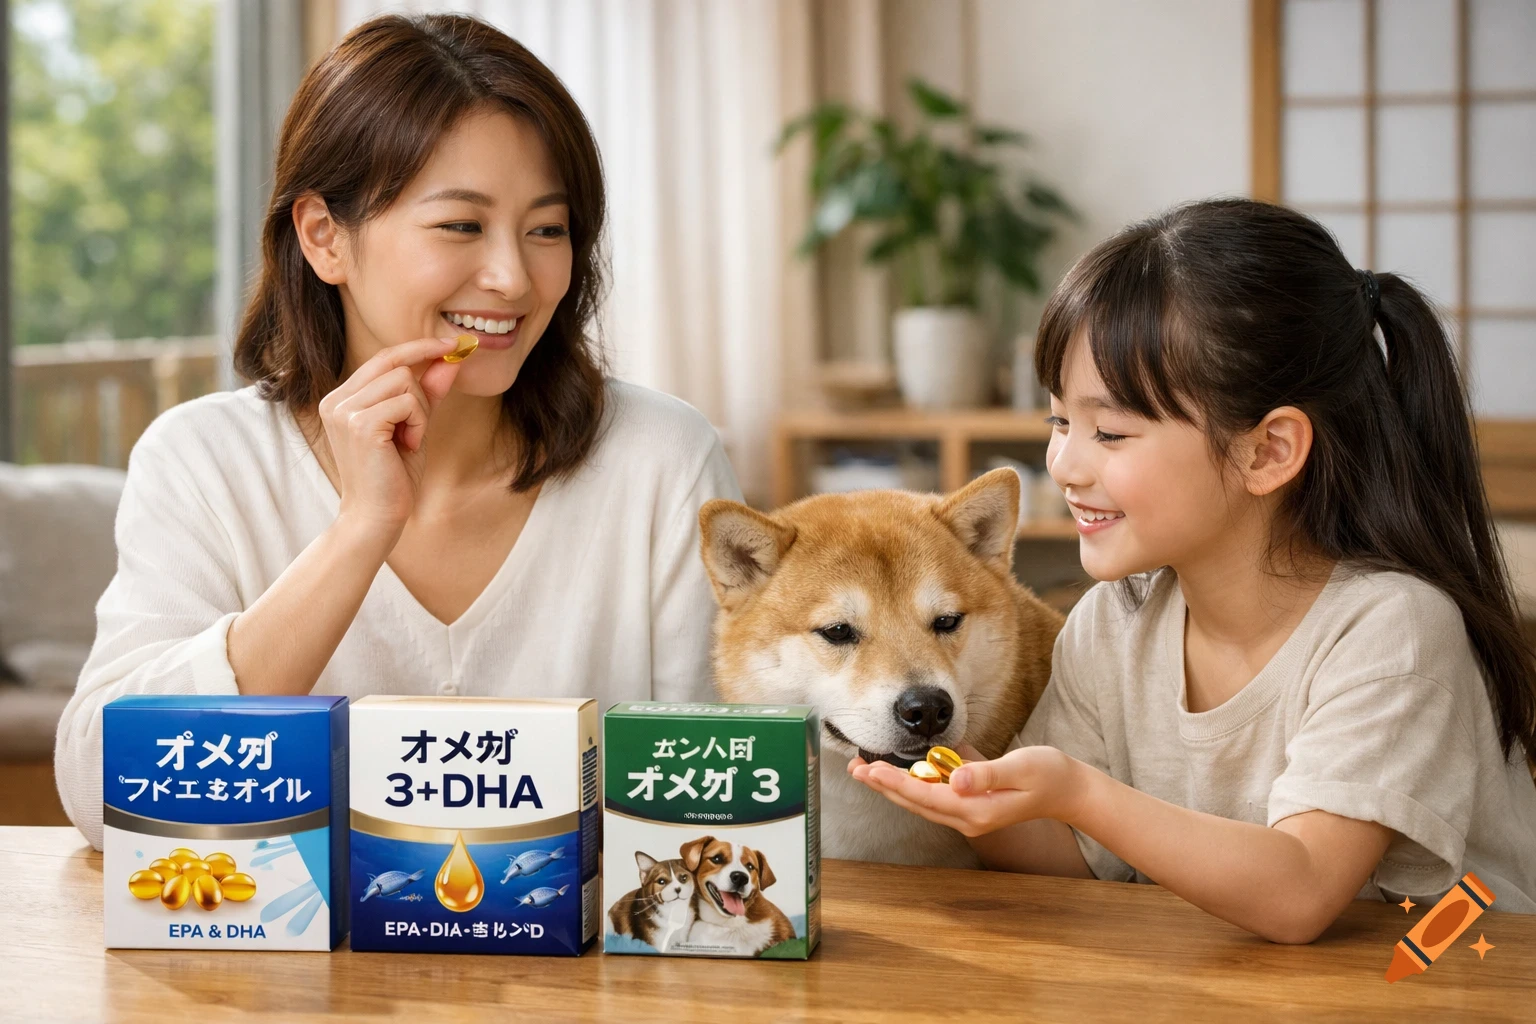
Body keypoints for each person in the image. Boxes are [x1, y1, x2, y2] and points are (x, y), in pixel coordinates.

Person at [55, 13, 740, 849]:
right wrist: (360, 531)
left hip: (590, 977)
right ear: (324, 237)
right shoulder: (203, 461)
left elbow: (719, 799)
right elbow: (103, 794)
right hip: (285, 980)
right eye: (460, 225)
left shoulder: (661, 460)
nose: (512, 278)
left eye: (548, 229)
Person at [853, 198, 1536, 938]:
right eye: (1059, 422)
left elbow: (1300, 891)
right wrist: (968, 786)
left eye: (1109, 431)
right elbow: (1072, 862)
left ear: (1267, 451)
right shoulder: (1113, 622)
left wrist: (1077, 794)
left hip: (1454, 978)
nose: (1064, 464)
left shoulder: (1393, 629)